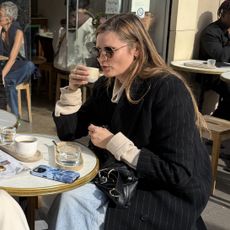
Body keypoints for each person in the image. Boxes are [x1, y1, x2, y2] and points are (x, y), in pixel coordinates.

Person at [49, 13, 212, 230]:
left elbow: (178, 173)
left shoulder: (168, 89)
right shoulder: (108, 87)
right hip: (122, 178)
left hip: (164, 194)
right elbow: (68, 131)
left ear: (136, 49)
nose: (101, 58)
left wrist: (114, 144)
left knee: (74, 201)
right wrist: (71, 90)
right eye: (98, 50)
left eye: (110, 50)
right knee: (66, 193)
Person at [0, 1, 36, 117]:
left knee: (29, 65)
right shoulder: (1, 31)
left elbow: (12, 59)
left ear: (9, 18)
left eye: (0, 14)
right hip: (5, 68)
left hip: (18, 68)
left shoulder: (18, 32)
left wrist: (1, 76)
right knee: (10, 87)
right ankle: (14, 119)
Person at [199, 0, 230, 120]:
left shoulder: (227, 31)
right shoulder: (210, 32)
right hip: (212, 75)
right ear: (223, 13)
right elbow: (221, 56)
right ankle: (215, 123)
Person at [53, 0, 96, 71]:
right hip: (80, 69)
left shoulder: (63, 27)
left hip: (60, 66)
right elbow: (91, 55)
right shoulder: (92, 27)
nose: (74, 19)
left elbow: (55, 47)